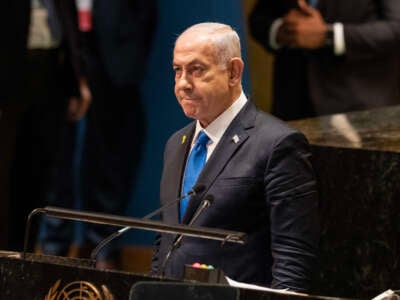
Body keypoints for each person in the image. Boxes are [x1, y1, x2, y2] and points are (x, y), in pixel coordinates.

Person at [151, 22, 319, 292]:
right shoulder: (176, 143)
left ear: (233, 72)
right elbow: (167, 238)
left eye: (196, 70)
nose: (182, 83)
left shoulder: (278, 144)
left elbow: (293, 255)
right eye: (177, 70)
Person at [37, 0, 157, 269]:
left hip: (116, 49)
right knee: (54, 158)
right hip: (56, 47)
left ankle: (102, 248)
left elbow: (147, 13)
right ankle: (51, 252)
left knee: (112, 160)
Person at [249, 0, 400, 121]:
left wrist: (329, 35)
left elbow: (395, 27)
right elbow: (259, 18)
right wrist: (281, 30)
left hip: (361, 107)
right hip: (292, 103)